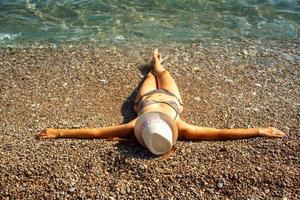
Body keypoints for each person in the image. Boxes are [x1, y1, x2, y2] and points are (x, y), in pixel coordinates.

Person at [37, 49, 286, 155]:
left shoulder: (133, 126)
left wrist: (60, 132)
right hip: (171, 97)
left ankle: (153, 63)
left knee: (149, 75)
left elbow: (97, 132)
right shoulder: (182, 126)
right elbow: (220, 133)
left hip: (145, 99)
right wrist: (258, 130)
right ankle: (156, 60)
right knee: (161, 71)